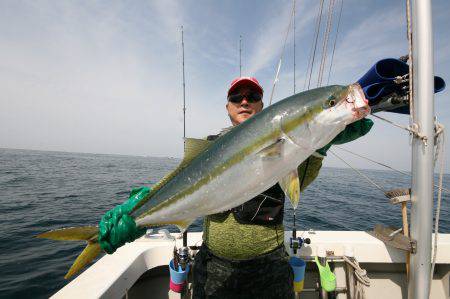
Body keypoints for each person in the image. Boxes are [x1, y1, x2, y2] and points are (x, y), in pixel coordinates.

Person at [98, 77, 373, 298]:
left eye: (252, 97)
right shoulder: (208, 145)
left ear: (262, 106)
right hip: (213, 266)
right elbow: (179, 179)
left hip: (270, 267)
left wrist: (322, 143)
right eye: (236, 98)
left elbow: (301, 180)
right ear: (228, 107)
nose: (244, 101)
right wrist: (136, 209)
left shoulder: (297, 150)